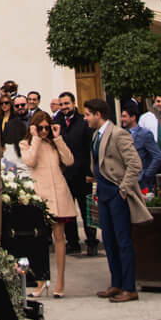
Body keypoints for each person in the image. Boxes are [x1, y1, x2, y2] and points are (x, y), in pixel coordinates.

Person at [84, 97, 150, 303]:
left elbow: (135, 163)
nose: (85, 118)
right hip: (103, 192)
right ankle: (117, 283)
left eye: (87, 114)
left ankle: (129, 287)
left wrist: (123, 188)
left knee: (123, 241)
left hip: (116, 193)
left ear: (98, 114)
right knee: (109, 241)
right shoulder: (96, 135)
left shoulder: (118, 134)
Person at [20, 108, 77, 297]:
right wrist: (35, 138)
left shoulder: (54, 143)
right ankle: (41, 281)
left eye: (47, 127)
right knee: (39, 241)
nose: (45, 131)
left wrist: (58, 138)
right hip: (40, 194)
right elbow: (29, 161)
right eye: (41, 127)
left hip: (58, 193)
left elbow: (69, 161)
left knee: (59, 237)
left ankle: (60, 282)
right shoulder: (26, 143)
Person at [54, 92, 96, 258]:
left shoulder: (83, 122)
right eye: (62, 104)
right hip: (65, 175)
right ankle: (73, 243)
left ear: (73, 103)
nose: (64, 107)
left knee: (87, 212)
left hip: (82, 174)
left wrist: (89, 172)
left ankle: (92, 242)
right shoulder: (57, 122)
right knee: (68, 212)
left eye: (67, 104)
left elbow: (89, 149)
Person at [121, 100, 161, 190]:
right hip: (125, 180)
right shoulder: (121, 134)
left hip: (141, 182)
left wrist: (146, 175)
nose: (122, 119)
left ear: (133, 117)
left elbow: (158, 156)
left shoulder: (145, 134)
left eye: (124, 116)